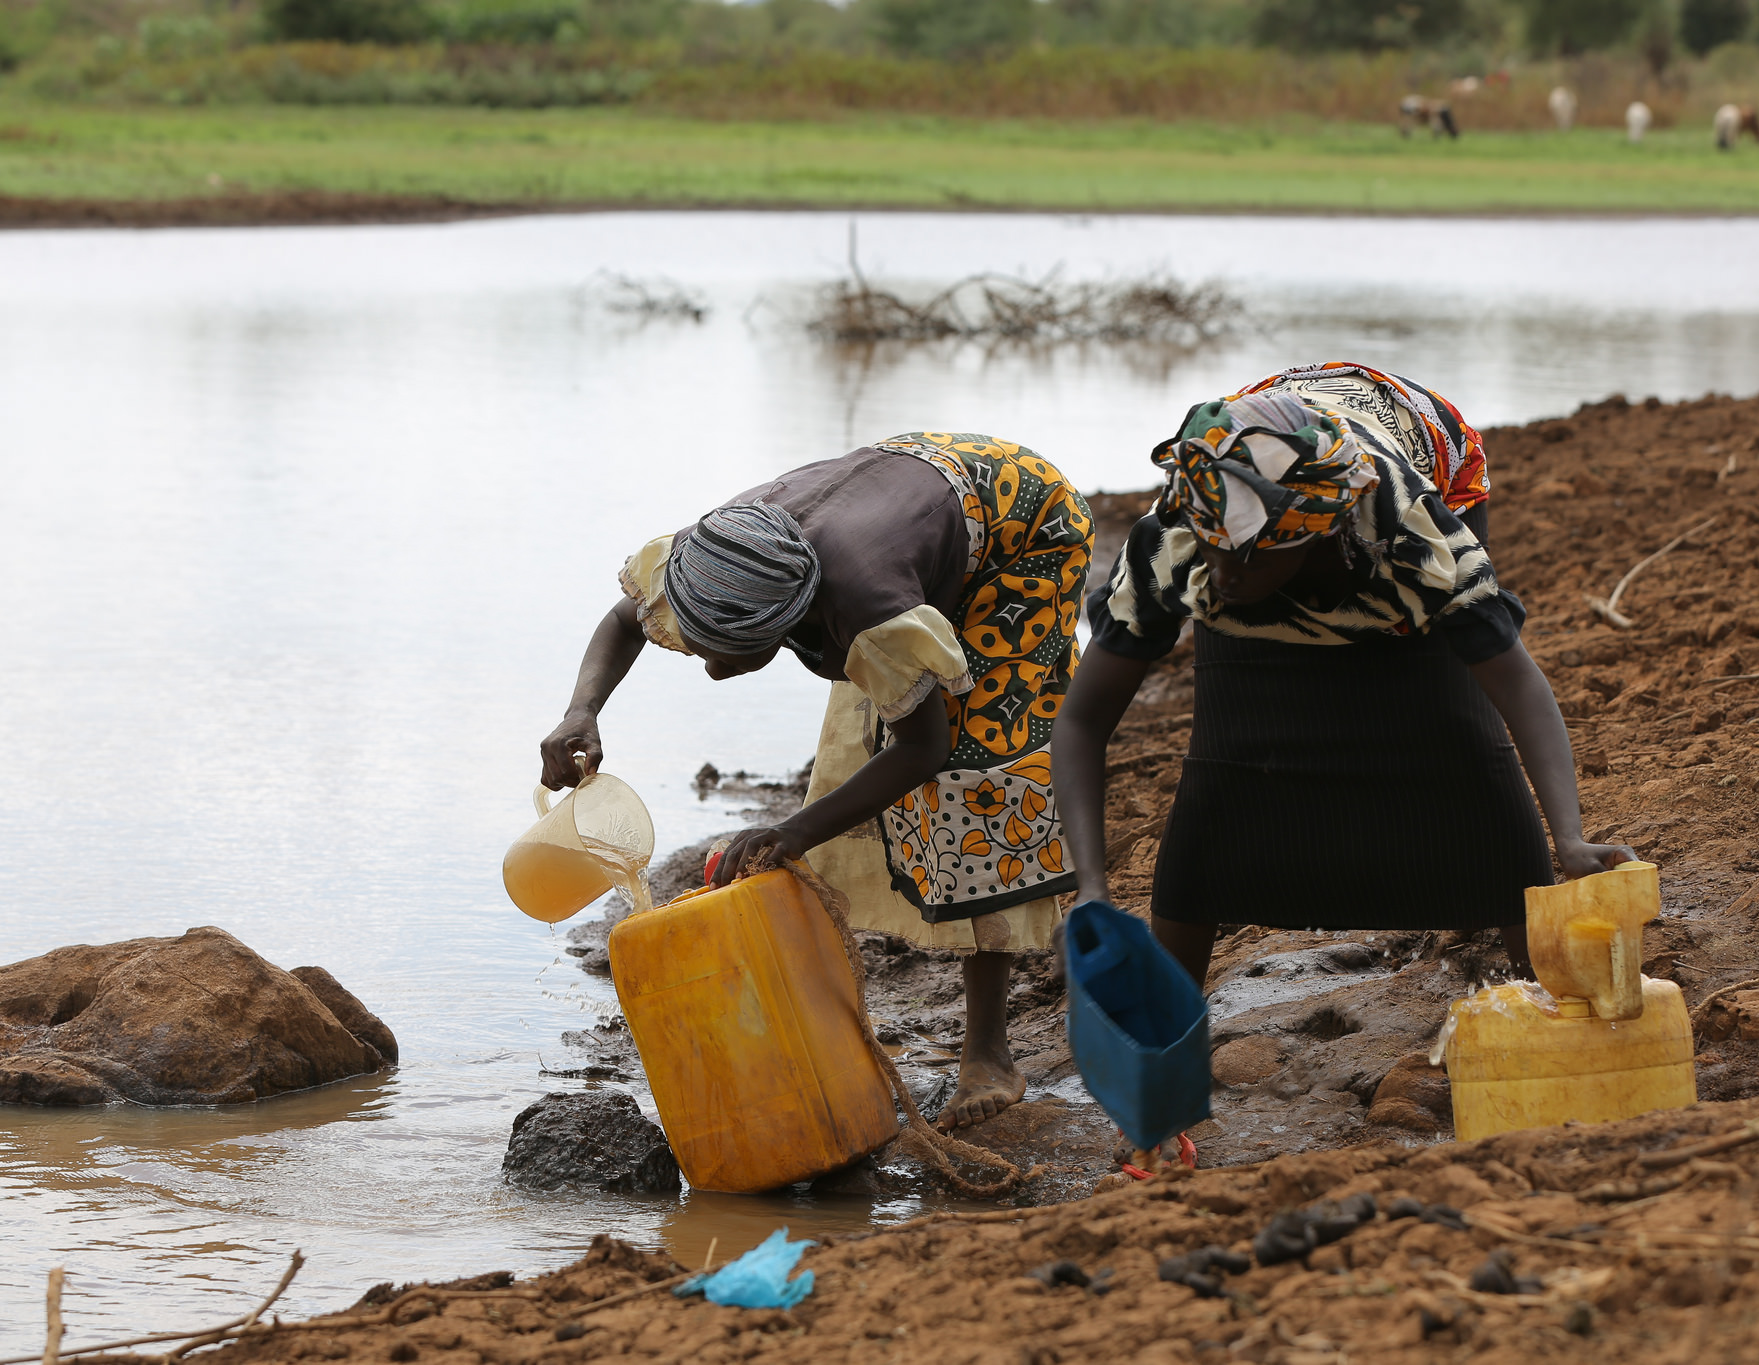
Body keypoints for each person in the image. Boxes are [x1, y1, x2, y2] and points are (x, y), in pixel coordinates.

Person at [542, 434, 1093, 1131]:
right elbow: (628, 618)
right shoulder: (719, 552)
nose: (709, 670)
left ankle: (989, 1052)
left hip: (1023, 528)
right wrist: (581, 710)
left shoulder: (868, 608)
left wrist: (793, 830)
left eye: (723, 656)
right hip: (906, 494)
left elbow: (927, 748)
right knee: (871, 723)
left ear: (785, 625)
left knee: (976, 774)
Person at [1051, 362, 1635, 988]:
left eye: (1244, 555)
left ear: (1316, 535)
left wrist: (1569, 840)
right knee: (1225, 750)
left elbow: (1516, 683)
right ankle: (1171, 1024)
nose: (1221, 573)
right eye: (1211, 549)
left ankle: (1544, 995)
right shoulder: (1181, 533)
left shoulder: (1413, 537)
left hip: (1416, 434)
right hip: (1253, 445)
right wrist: (1090, 886)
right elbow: (1083, 720)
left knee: (1461, 730)